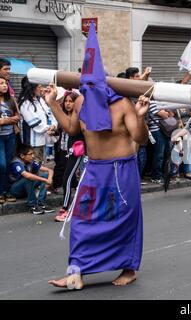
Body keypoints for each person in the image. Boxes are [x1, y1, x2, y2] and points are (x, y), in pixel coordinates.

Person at [46, 24, 149, 289]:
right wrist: (53, 104)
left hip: (121, 170)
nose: (88, 88)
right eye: (84, 84)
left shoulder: (123, 104)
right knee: (81, 219)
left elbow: (139, 138)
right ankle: (76, 272)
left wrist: (140, 116)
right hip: (93, 170)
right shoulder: (81, 102)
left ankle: (129, 268)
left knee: (123, 219)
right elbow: (71, 129)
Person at [54, 91, 86, 222]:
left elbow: (73, 131)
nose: (68, 104)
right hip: (64, 150)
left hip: (77, 150)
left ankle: (65, 209)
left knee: (67, 179)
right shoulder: (64, 115)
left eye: (71, 101)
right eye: (66, 101)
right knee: (68, 179)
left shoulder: (78, 116)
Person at [18, 76, 58, 164]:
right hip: (33, 144)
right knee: (34, 166)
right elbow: (35, 123)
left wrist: (54, 125)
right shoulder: (25, 103)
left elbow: (50, 114)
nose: (42, 89)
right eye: (39, 87)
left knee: (40, 165)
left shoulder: (40, 100)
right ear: (32, 88)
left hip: (43, 140)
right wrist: (49, 128)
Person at [9, 144, 54, 214]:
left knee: (45, 175)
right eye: (30, 154)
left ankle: (41, 202)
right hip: (16, 190)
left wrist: (49, 179)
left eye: (33, 153)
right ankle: (33, 205)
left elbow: (49, 170)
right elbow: (26, 175)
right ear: (22, 156)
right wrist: (45, 180)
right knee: (28, 178)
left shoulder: (31, 161)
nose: (33, 156)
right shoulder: (16, 163)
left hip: (27, 188)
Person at [0, 76, 19, 203]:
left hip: (10, 135)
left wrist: (4, 121)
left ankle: (5, 191)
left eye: (5, 83)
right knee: (1, 165)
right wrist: (9, 120)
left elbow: (18, 116)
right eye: (1, 83)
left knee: (7, 164)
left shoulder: (11, 99)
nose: (4, 85)